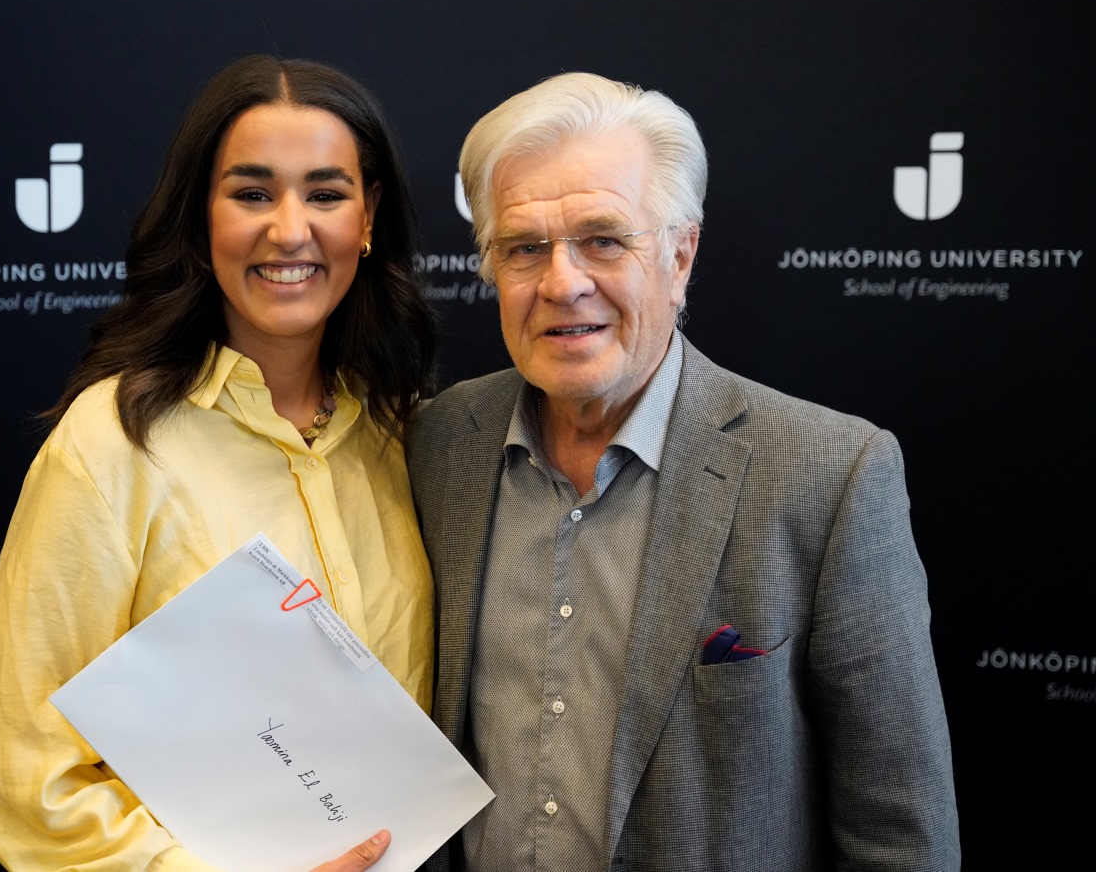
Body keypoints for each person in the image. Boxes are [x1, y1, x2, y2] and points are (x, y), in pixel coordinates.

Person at [408, 72, 961, 871]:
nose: (562, 283)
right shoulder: (437, 445)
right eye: (524, 248)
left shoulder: (830, 475)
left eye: (604, 239)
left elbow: (900, 838)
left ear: (679, 255)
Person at [0, 54, 439, 871]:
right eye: (252, 193)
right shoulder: (115, 444)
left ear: (368, 218)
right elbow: (22, 772)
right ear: (199, 216)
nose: (289, 230)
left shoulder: (404, 434)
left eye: (325, 194)